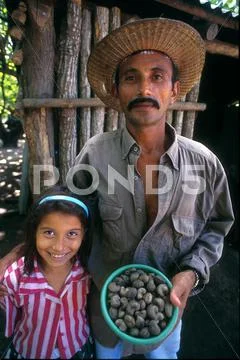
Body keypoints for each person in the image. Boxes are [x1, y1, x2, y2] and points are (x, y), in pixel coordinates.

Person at [0, 18, 234, 359]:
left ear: (174, 89)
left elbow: (217, 226)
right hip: (102, 306)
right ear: (116, 91)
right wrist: (15, 257)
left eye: (157, 77)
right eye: (130, 78)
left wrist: (190, 274)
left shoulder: (205, 164)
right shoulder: (96, 153)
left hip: (168, 310)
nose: (144, 89)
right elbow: (64, 215)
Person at [0, 186, 94, 359]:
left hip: (78, 348)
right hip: (28, 351)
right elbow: (9, 316)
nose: (59, 247)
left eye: (72, 234)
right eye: (49, 232)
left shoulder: (88, 272)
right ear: (34, 231)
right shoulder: (14, 277)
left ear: (84, 235)